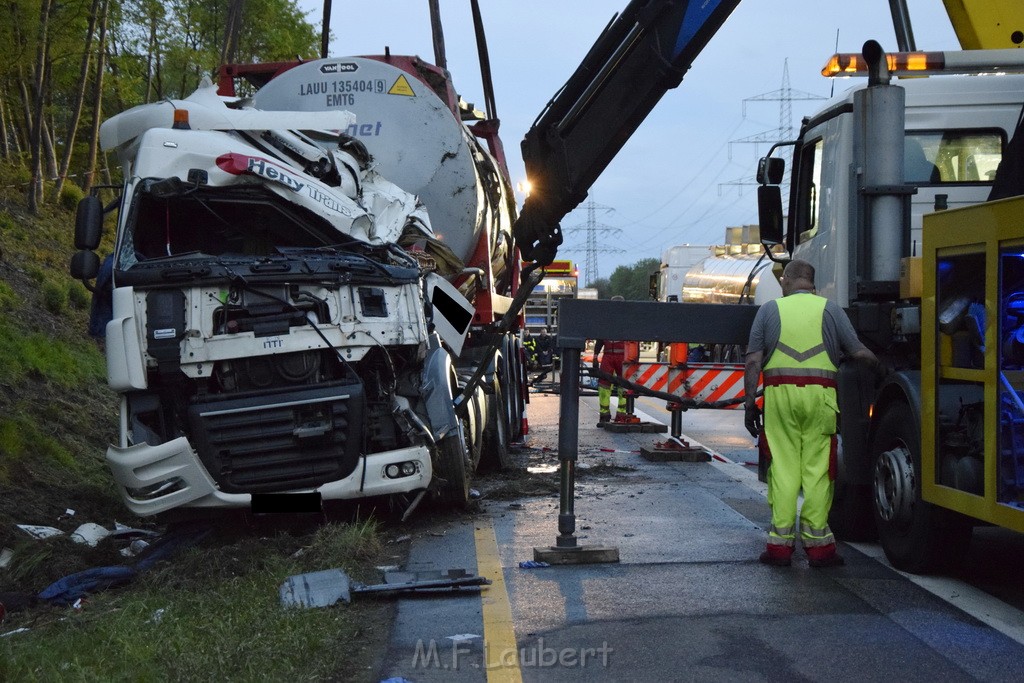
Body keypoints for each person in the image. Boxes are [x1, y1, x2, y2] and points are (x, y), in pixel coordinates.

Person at [744, 259, 880, 568]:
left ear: (789, 280)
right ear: (812, 282)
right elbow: (858, 352)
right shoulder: (831, 310)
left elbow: (753, 360)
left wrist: (750, 403)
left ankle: (779, 547)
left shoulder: (769, 311)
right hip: (821, 398)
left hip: (780, 397)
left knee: (784, 467)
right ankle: (819, 549)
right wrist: (881, 370)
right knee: (819, 469)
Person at [592, 296, 628, 424]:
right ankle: (605, 415)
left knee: (623, 387)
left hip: (623, 356)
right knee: (604, 386)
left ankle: (621, 415)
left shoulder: (627, 320)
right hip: (609, 356)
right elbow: (599, 340)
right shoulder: (605, 320)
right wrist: (595, 357)